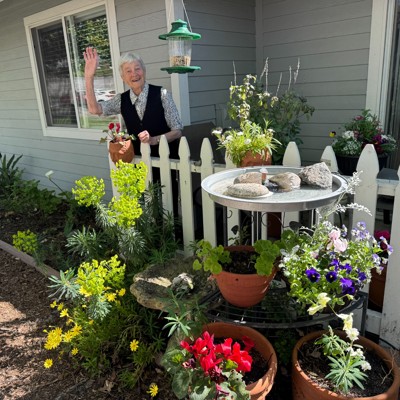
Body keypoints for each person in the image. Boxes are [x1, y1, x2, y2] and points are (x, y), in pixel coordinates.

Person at [83, 47, 183, 159]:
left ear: (144, 71)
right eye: (128, 71)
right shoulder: (121, 100)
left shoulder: (162, 94)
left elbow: (177, 131)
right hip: (137, 164)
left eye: (137, 69)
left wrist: (154, 140)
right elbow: (94, 109)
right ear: (123, 77)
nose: (134, 74)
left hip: (167, 162)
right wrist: (88, 77)